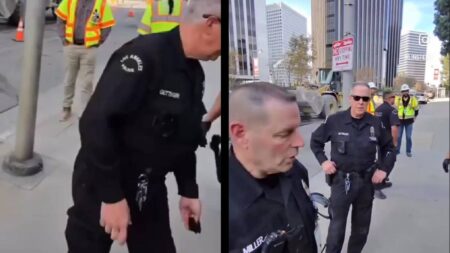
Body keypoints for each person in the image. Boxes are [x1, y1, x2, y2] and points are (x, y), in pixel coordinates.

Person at [64, 0, 221, 252]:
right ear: (211, 24)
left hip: (148, 185)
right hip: (102, 181)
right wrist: (112, 197)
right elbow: (95, 123)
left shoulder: (193, 73)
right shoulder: (143, 56)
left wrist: (188, 189)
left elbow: (184, 134)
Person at [229, 83, 318, 253]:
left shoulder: (296, 171)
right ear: (241, 134)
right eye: (284, 134)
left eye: (297, 129)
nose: (300, 142)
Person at [310, 83, 396, 253]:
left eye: (365, 98)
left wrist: (384, 169)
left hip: (366, 183)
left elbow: (389, 148)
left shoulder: (375, 123)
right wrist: (324, 162)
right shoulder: (335, 121)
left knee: (361, 229)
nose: (361, 102)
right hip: (342, 183)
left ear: (369, 100)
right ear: (350, 99)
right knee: (337, 228)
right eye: (357, 98)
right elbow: (315, 142)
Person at [55, 0, 116, 121]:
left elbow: (107, 25)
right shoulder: (69, 1)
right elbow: (60, 20)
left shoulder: (101, 4)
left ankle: (84, 112)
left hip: (89, 49)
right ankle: (66, 108)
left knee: (87, 82)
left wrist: (98, 41)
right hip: (71, 46)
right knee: (69, 79)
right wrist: (63, 39)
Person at [373, 89, 400, 199]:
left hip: (377, 139)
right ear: (389, 98)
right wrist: (395, 142)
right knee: (390, 161)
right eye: (393, 97)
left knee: (381, 161)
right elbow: (394, 128)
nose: (395, 99)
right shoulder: (392, 110)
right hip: (387, 141)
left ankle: (382, 181)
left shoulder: (378, 109)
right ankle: (377, 186)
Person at [395, 84, 419, 157]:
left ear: (408, 91)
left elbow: (416, 109)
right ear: (401, 92)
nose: (405, 92)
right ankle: (397, 150)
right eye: (403, 91)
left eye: (406, 91)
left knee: (408, 137)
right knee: (398, 136)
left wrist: (414, 118)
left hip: (409, 121)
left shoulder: (413, 99)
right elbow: (395, 110)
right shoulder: (398, 99)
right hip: (400, 121)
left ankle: (408, 151)